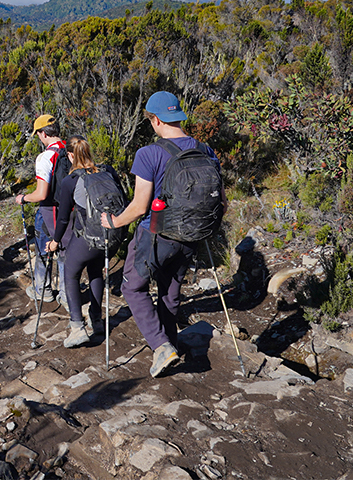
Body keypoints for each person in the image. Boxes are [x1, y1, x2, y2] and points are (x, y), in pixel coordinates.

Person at [103, 91, 222, 378]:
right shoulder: (205, 150)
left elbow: (140, 206)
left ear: (155, 120)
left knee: (132, 288)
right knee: (169, 293)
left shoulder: (149, 153)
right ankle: (172, 344)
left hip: (155, 235)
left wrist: (114, 222)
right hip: (192, 236)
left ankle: (161, 347)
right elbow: (220, 200)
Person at [47, 137, 120, 348]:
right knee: (96, 271)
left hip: (88, 236)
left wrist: (55, 241)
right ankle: (96, 321)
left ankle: (77, 327)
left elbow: (63, 218)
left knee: (70, 272)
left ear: (70, 155)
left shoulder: (71, 180)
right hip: (109, 234)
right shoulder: (108, 171)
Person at [13, 114, 67, 301]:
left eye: (38, 134)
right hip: (71, 212)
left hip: (49, 211)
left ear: (43, 133)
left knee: (44, 250)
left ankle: (42, 290)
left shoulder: (46, 157)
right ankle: (67, 295)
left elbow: (41, 194)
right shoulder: (72, 150)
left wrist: (24, 198)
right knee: (64, 252)